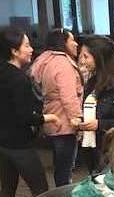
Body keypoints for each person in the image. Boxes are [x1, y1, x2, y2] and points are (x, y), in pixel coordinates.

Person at [0, 27, 60, 197]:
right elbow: (24, 117)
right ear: (14, 51)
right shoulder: (18, 79)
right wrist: (48, 118)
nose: (31, 50)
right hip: (18, 144)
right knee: (40, 189)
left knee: (7, 187)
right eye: (27, 45)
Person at [31, 28, 83, 187]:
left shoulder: (44, 60)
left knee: (59, 165)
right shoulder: (62, 64)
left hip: (51, 118)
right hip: (64, 123)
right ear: (63, 43)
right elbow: (69, 97)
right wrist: (77, 120)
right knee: (65, 169)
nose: (76, 44)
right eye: (71, 40)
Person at [78, 35, 114, 174]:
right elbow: (91, 111)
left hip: (113, 150)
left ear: (99, 57)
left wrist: (100, 124)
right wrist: (81, 121)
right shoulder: (92, 83)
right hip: (91, 146)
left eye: (86, 56)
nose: (82, 61)